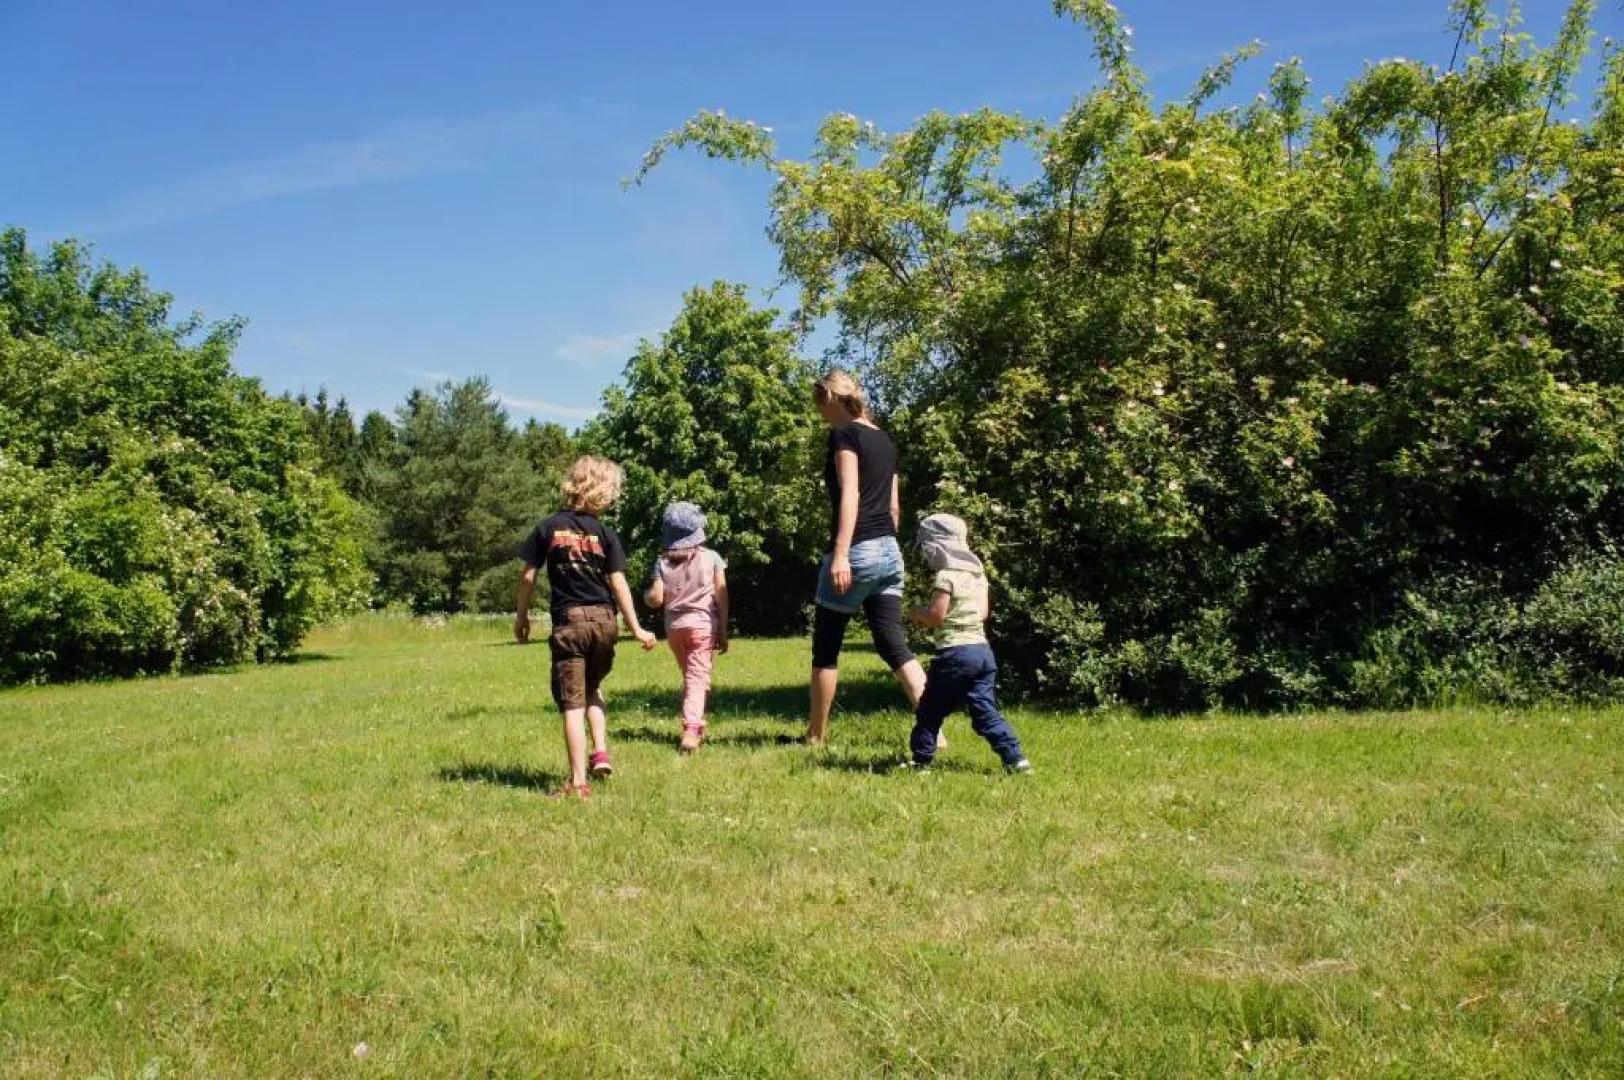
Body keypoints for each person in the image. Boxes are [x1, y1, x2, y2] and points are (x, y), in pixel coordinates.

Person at [515, 455, 656, 799]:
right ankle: (601, 751)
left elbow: (528, 577)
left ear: (572, 485)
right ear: (605, 492)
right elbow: (619, 584)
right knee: (593, 688)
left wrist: (521, 617)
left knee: (572, 703)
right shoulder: (607, 534)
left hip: (571, 623)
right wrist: (636, 628)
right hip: (606, 623)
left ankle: (578, 783)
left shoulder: (548, 528)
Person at [807, 370, 928, 745]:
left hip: (857, 549)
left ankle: (815, 736)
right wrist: (886, 545)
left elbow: (850, 493)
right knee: (893, 642)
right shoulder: (884, 439)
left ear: (830, 397)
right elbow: (893, 507)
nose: (818, 413)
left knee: (826, 647)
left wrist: (842, 554)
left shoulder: (844, 434)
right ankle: (932, 728)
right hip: (889, 550)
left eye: (818, 404)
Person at [905, 513, 1031, 774]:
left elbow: (936, 617)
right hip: (983, 653)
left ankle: (921, 762)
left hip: (955, 654)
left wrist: (915, 611)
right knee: (986, 711)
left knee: (930, 710)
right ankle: (1015, 759)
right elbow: (983, 613)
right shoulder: (978, 574)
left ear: (938, 547)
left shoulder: (945, 576)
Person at [643, 501, 730, 754]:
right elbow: (721, 595)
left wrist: (647, 594)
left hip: (674, 629)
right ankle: (691, 729)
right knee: (696, 677)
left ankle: (695, 712)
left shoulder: (661, 562)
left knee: (692, 676)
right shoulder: (712, 558)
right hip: (703, 626)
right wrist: (723, 628)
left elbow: (656, 599)